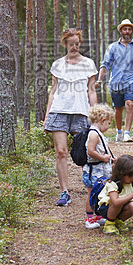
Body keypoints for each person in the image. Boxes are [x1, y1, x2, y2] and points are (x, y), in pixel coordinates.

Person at [44, 28, 97, 206]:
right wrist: (47, 116)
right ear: (65, 44)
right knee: (61, 152)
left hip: (81, 111)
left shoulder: (88, 63)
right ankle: (64, 192)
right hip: (59, 111)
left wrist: (95, 113)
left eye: (77, 44)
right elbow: (53, 91)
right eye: (71, 44)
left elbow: (91, 90)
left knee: (86, 152)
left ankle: (93, 189)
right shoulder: (58, 64)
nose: (74, 47)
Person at [95, 18, 133, 143]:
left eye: (129, 29)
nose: (127, 31)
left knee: (130, 104)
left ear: (132, 31)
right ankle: (119, 132)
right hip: (116, 82)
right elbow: (105, 64)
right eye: (125, 29)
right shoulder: (112, 47)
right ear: (121, 31)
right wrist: (99, 80)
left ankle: (127, 133)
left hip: (131, 81)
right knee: (118, 109)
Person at [94, 154, 133, 234]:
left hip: (120, 206)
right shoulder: (113, 184)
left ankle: (118, 221)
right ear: (120, 174)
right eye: (130, 176)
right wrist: (132, 195)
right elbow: (116, 202)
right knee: (119, 202)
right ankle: (109, 223)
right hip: (107, 208)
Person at [82, 104, 115, 230]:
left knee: (100, 192)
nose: (108, 126)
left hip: (101, 169)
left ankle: (99, 215)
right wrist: (103, 158)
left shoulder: (98, 133)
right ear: (102, 121)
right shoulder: (94, 134)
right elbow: (90, 151)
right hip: (94, 170)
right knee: (92, 193)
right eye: (108, 123)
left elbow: (101, 150)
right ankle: (89, 218)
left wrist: (110, 159)